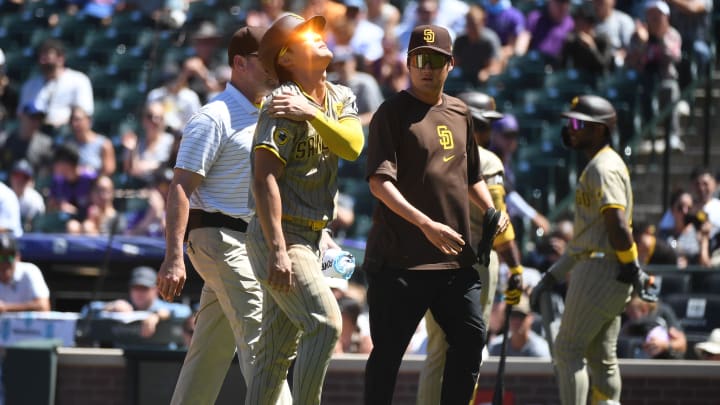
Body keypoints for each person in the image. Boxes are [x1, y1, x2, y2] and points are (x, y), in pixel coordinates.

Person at [363, 25, 507, 405]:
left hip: (453, 261)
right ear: (409, 63)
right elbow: (379, 183)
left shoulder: (461, 112)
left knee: (472, 339)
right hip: (399, 261)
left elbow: (471, 176)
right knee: (387, 356)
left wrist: (490, 210)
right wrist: (425, 224)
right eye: (419, 60)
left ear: (450, 65)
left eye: (436, 60)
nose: (427, 68)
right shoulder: (391, 112)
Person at [155, 26, 292, 405]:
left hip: (248, 241)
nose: (274, 67)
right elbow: (181, 187)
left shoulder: (267, 113)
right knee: (263, 342)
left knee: (210, 351)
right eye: (266, 60)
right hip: (218, 237)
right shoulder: (213, 116)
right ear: (239, 63)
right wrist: (173, 257)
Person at [246, 13, 365, 404]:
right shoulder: (278, 105)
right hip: (282, 234)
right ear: (287, 58)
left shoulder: (339, 95)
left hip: (312, 235)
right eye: (305, 36)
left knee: (274, 355)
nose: (318, 37)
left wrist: (312, 112)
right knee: (326, 324)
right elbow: (264, 179)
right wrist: (277, 247)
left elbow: (352, 146)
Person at [530, 95, 658, 405]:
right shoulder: (598, 165)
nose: (570, 128)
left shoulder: (604, 167)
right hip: (601, 265)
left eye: (577, 123)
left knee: (567, 349)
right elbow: (584, 239)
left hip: (601, 268)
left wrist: (631, 264)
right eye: (569, 122)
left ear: (599, 130)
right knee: (601, 356)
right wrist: (553, 274)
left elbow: (616, 220)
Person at [416, 91, 524, 405]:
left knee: (437, 350)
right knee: (467, 350)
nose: (489, 132)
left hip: (432, 259)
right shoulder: (486, 160)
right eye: (485, 124)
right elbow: (498, 223)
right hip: (473, 264)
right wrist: (516, 268)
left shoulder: (430, 153)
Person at [83, 266, 191, 338]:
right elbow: (86, 310)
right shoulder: (125, 305)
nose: (139, 293)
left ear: (156, 290)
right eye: (136, 288)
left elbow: (186, 312)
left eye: (144, 288)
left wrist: (159, 315)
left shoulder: (161, 307)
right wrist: (110, 306)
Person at [17, 39, 94, 136]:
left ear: (60, 58)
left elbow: (84, 112)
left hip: (67, 135)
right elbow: (22, 114)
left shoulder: (78, 80)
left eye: (47, 55)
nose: (43, 60)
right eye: (41, 55)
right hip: (36, 136)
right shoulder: (30, 85)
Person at [619, 295, 687, 359]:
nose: (629, 316)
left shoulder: (663, 313)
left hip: (663, 363)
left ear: (644, 309)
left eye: (631, 312)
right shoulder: (626, 319)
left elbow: (682, 344)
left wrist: (663, 345)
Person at [0, 232, 50, 313]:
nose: (5, 262)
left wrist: (6, 308)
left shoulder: (30, 271)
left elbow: (43, 307)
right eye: (1, 257)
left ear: (18, 257)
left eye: (10, 257)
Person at [65, 105, 116, 176]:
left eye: (78, 120)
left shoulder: (104, 144)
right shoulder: (66, 145)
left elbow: (109, 170)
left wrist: (89, 173)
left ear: (89, 121)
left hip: (94, 183)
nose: (74, 124)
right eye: (72, 120)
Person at [9, 159, 46, 232]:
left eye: (24, 177)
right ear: (11, 177)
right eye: (17, 176)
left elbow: (34, 225)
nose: (20, 180)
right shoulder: (4, 196)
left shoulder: (35, 199)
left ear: (30, 181)